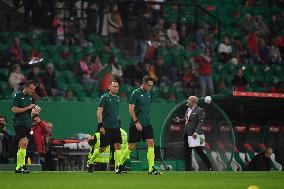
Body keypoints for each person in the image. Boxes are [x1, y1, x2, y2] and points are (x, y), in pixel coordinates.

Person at [118, 76, 160, 175]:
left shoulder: (149, 94)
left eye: (151, 86)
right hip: (136, 124)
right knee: (131, 146)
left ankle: (151, 169)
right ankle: (119, 165)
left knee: (151, 143)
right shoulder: (135, 93)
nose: (150, 87)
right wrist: (136, 122)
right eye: (148, 85)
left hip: (147, 124)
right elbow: (131, 109)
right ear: (144, 83)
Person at [87, 80, 122, 174]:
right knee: (102, 148)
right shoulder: (104, 97)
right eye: (114, 86)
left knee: (118, 146)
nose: (115, 88)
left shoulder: (118, 98)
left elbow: (115, 112)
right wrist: (100, 126)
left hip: (115, 127)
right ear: (109, 87)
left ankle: (117, 168)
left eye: (117, 86)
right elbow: (99, 111)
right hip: (106, 127)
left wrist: (118, 119)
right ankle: (90, 162)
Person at [173, 96, 212, 171]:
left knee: (200, 152)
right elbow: (185, 120)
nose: (187, 101)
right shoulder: (187, 110)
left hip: (196, 135)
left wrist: (196, 133)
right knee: (187, 153)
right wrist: (178, 120)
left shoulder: (200, 110)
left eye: (189, 100)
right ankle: (188, 170)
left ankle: (210, 167)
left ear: (194, 102)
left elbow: (201, 123)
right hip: (187, 134)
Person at [11, 80, 40, 173]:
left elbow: (29, 113)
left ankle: (20, 166)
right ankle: (20, 166)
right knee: (23, 142)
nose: (32, 91)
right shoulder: (18, 96)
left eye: (34, 89)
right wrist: (28, 108)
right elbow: (14, 110)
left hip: (27, 123)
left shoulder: (30, 98)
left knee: (24, 144)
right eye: (31, 89)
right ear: (26, 87)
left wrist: (35, 111)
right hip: (19, 123)